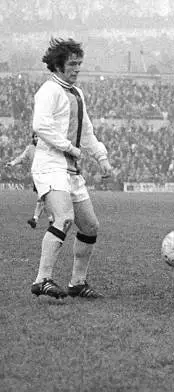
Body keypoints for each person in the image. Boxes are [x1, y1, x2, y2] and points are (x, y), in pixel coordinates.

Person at [30, 38, 113, 299]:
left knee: (90, 227)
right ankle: (42, 280)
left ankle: (77, 283)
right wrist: (69, 147)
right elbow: (40, 126)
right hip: (50, 166)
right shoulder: (48, 91)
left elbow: (86, 132)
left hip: (71, 171)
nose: (77, 68)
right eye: (72, 64)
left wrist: (101, 157)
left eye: (79, 63)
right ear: (58, 65)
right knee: (64, 218)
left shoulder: (77, 93)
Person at [5, 132, 51, 228]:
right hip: (37, 177)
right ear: (33, 138)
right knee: (44, 199)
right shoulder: (30, 149)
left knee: (42, 198)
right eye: (35, 136)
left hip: (47, 176)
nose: (37, 138)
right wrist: (12, 163)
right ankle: (51, 219)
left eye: (38, 136)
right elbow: (22, 158)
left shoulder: (46, 147)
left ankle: (35, 219)